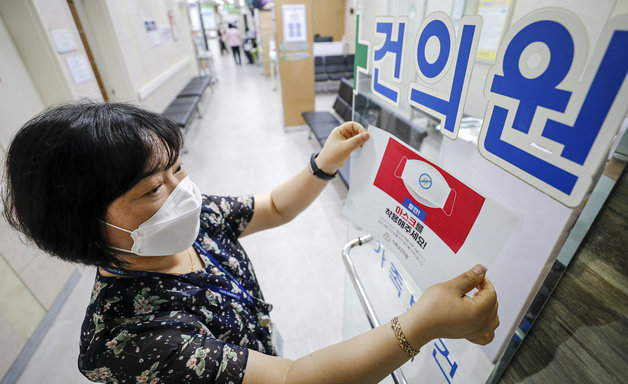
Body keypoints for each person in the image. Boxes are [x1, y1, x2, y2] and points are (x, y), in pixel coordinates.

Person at [2, 101, 499, 384]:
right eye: (153, 188)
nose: (185, 195)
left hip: (255, 347)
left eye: (178, 169)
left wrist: (323, 164)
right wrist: (423, 324)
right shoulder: (130, 339)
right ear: (80, 224)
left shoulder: (192, 219)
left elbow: (274, 207)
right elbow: (290, 380)